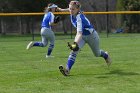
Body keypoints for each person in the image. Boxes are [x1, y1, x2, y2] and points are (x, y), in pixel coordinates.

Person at [58, 0, 112, 76]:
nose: (70, 11)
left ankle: (106, 55)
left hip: (92, 36)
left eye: (72, 9)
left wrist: (75, 44)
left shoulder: (79, 18)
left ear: (77, 9)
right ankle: (67, 70)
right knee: (74, 52)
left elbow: (79, 33)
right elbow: (69, 9)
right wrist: (61, 10)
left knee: (97, 54)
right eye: (70, 9)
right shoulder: (73, 12)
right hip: (83, 37)